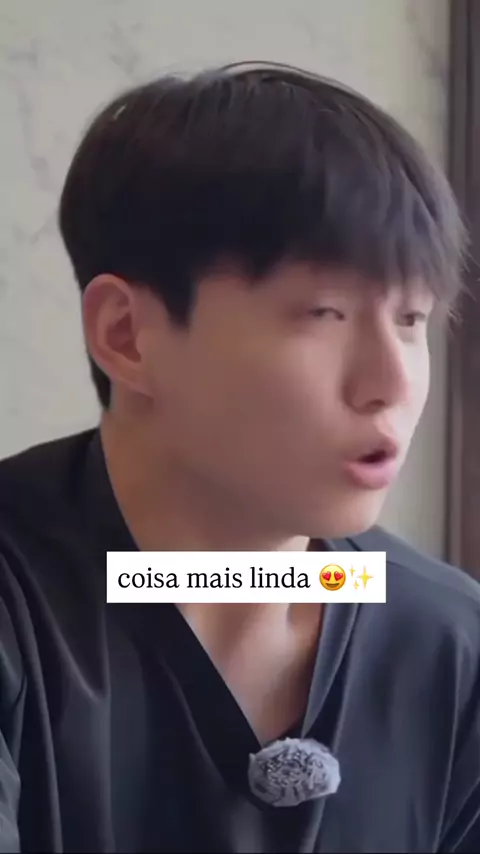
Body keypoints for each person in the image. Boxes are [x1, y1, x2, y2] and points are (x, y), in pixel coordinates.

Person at [0, 60, 478, 853]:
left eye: (411, 320)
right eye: (324, 313)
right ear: (127, 334)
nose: (391, 384)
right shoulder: (23, 603)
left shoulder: (447, 645)